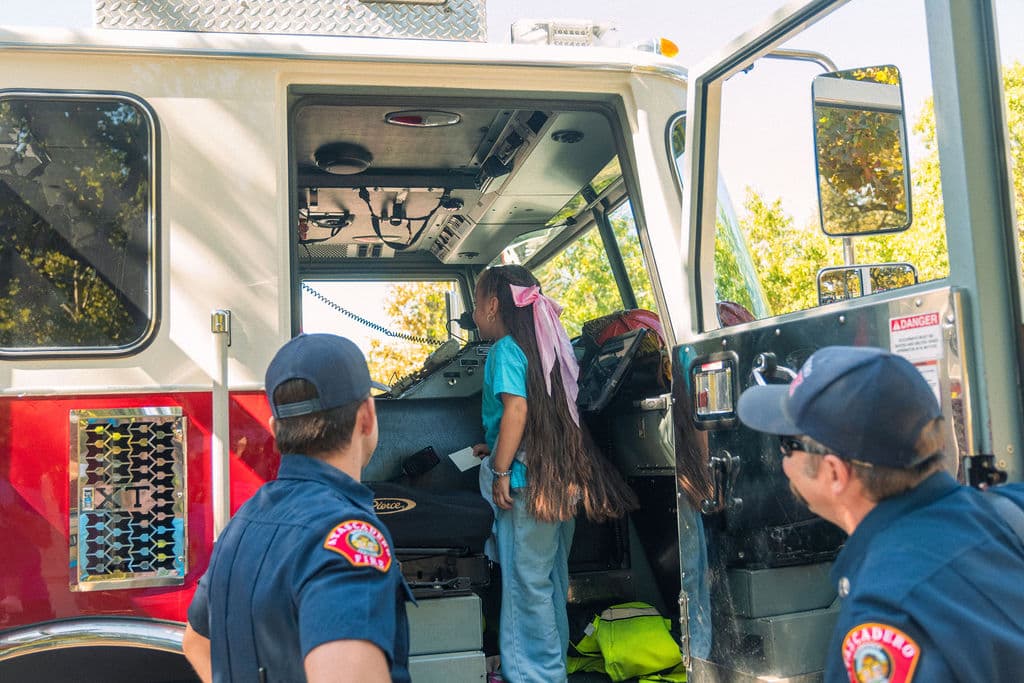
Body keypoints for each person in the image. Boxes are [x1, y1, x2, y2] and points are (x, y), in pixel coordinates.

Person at [737, 345, 1024, 683]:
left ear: (834, 473)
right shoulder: (1011, 511)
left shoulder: (886, 615)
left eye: (788, 444)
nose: (783, 460)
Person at [182, 333, 413, 683]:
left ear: (275, 430)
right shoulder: (348, 536)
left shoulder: (241, 523)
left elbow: (197, 641)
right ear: (367, 415)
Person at [470, 264, 638, 683]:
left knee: (526, 587)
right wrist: (497, 445)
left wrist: (500, 468)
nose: (474, 314)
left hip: (527, 485)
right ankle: (552, 669)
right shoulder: (548, 347)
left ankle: (535, 675)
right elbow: (539, 415)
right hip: (561, 483)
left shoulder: (504, 351)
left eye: (474, 304)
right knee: (548, 582)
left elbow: (518, 409)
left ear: (492, 306)